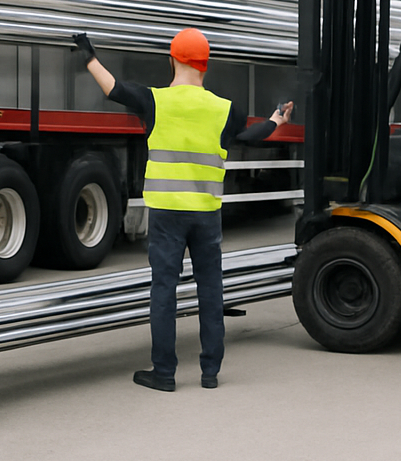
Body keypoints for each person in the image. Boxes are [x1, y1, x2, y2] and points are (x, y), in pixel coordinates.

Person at [73, 28, 292, 391]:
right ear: (206, 66)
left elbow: (113, 88)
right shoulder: (224, 109)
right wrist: (277, 121)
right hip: (206, 214)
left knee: (164, 290)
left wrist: (88, 55)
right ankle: (210, 372)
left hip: (166, 213)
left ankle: (164, 373)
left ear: (172, 60)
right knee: (211, 290)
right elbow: (251, 136)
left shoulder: (155, 100)